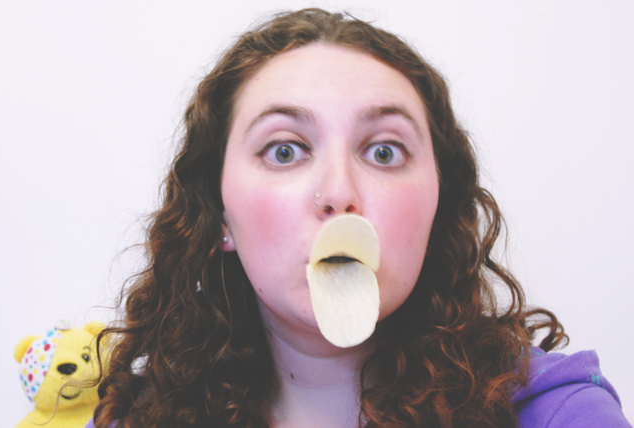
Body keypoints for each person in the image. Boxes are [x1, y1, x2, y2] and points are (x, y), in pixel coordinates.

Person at [90, 8, 631, 428]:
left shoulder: (560, 413)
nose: (339, 193)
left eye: (384, 152)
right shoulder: (136, 419)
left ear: (438, 206)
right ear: (220, 216)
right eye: (285, 150)